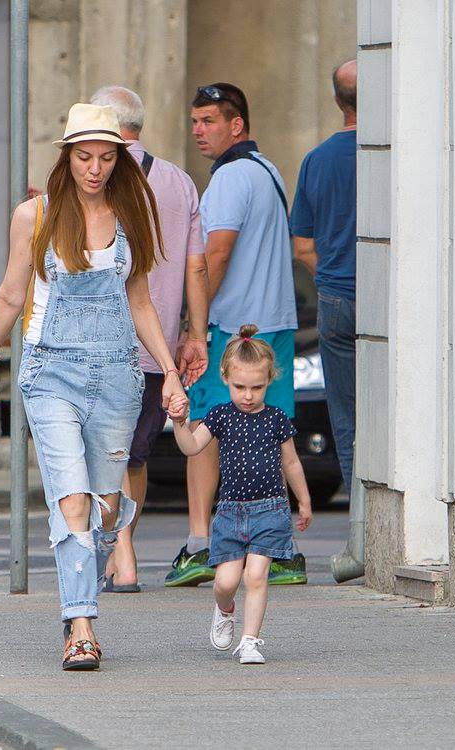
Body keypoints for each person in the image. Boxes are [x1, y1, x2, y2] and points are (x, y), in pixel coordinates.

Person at [0, 103, 185, 671]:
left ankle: (81, 595)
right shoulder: (35, 215)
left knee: (106, 509)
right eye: (85, 157)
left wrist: (169, 371)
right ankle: (81, 626)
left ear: (120, 160)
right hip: (51, 373)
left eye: (106, 158)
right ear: (67, 157)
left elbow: (140, 300)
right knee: (71, 499)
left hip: (117, 375)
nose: (95, 168)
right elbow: (11, 293)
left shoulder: (131, 213)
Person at [165, 83, 302, 588]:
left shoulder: (227, 178)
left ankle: (201, 544)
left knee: (203, 429)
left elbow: (216, 253)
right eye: (194, 121)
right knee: (272, 433)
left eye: (209, 121)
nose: (198, 131)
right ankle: (278, 549)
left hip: (230, 327)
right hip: (276, 321)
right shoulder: (269, 170)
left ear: (236, 124)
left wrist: (193, 325)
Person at [87, 85, 209, 593]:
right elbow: (197, 266)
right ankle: (121, 559)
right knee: (134, 456)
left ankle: (122, 554)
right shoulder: (180, 182)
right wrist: (195, 334)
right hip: (158, 348)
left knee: (103, 451)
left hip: (100, 341)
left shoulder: (96, 179)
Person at [167, 324, 312, 664]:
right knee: (225, 583)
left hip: (271, 511)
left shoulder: (276, 419)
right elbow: (192, 447)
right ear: (225, 378)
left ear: (269, 380)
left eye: (257, 388)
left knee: (256, 576)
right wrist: (179, 422)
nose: (248, 396)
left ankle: (250, 641)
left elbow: (291, 463)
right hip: (231, 513)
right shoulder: (220, 416)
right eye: (240, 387)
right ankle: (225, 609)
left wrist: (303, 501)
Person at [291, 60, 357, 493]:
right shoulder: (396, 153)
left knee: (346, 417)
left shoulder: (316, 160)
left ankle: (361, 518)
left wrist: (332, 277)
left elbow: (302, 247)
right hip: (393, 299)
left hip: (336, 296)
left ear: (337, 101)